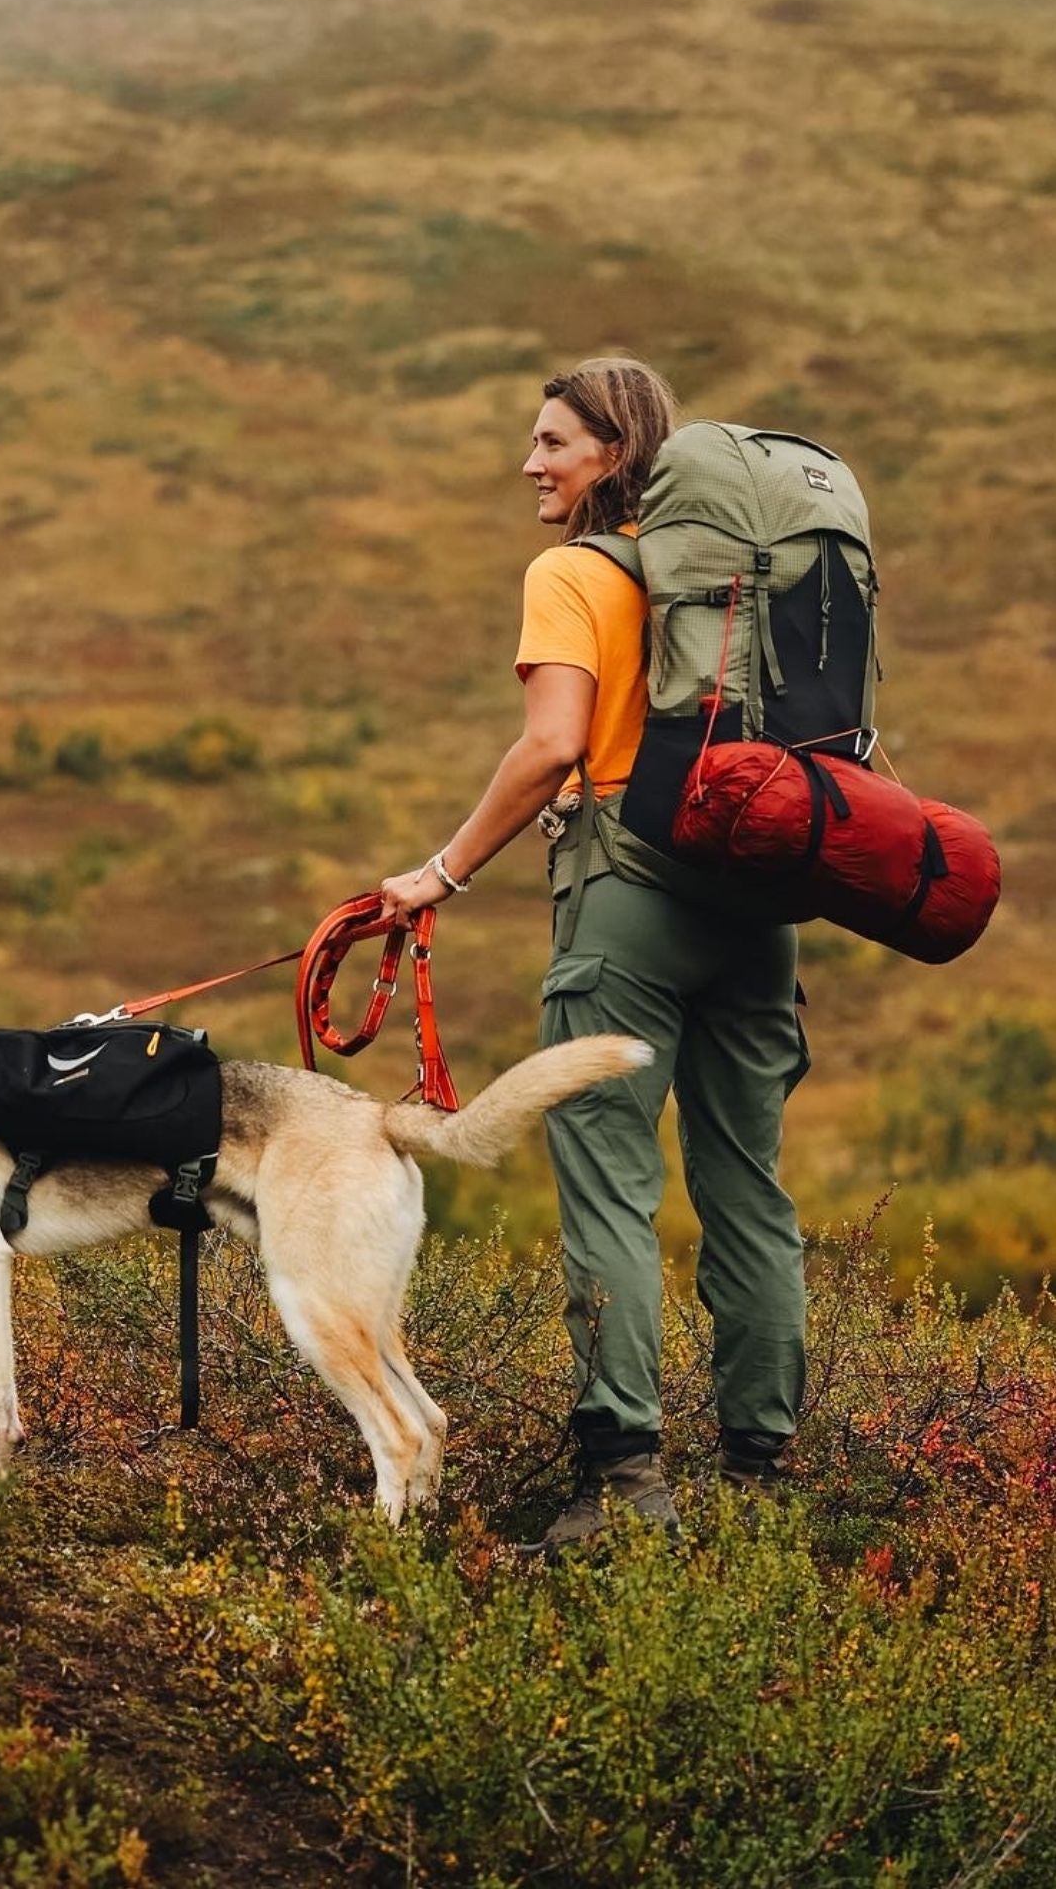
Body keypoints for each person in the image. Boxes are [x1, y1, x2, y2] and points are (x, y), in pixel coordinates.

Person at [378, 355, 809, 1550]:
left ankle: (623, 1484)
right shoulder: (735, 583)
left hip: (628, 894)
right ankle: (761, 1480)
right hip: (756, 901)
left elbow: (552, 744)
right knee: (749, 1187)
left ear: (614, 454)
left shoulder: (570, 572)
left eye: (553, 442)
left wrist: (440, 872)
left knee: (612, 1182)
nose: (532, 462)